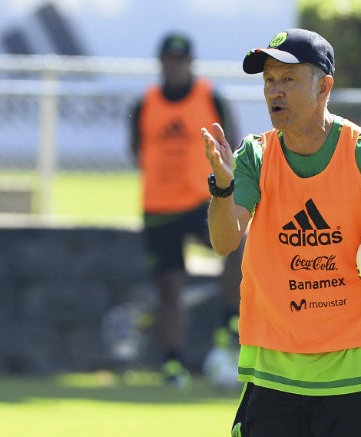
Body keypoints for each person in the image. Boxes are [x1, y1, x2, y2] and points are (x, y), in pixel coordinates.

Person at [201, 28, 361, 436]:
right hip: (274, 369)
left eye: (288, 79)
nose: (275, 91)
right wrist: (223, 186)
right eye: (269, 80)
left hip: (356, 369)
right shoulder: (254, 154)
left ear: (324, 87)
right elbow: (224, 241)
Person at [129, 32, 242, 387]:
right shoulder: (145, 104)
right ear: (161, 62)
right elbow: (137, 152)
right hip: (159, 207)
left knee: (237, 242)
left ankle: (230, 321)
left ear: (190, 63)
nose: (174, 66)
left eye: (180, 60)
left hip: (201, 201)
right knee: (169, 285)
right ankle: (172, 364)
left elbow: (232, 146)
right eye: (169, 60)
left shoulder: (210, 98)